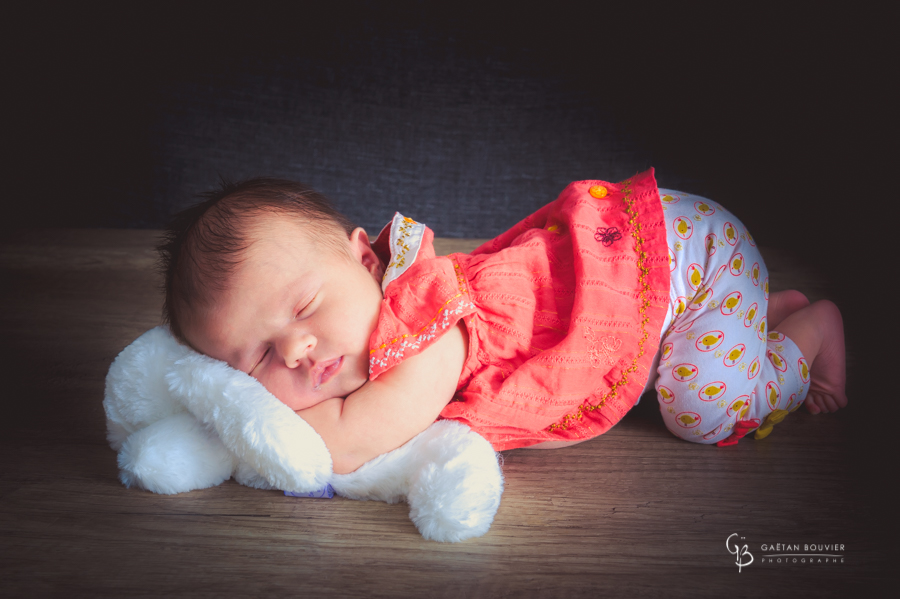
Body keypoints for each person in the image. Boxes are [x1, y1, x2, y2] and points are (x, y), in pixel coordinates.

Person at [158, 169, 847, 474]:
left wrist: (234, 413)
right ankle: (759, 318)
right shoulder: (371, 331)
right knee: (685, 368)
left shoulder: (427, 326)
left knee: (701, 407)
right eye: (255, 361)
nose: (297, 349)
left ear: (367, 260)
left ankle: (809, 332)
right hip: (670, 281)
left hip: (684, 255)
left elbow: (335, 448)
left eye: (305, 307)